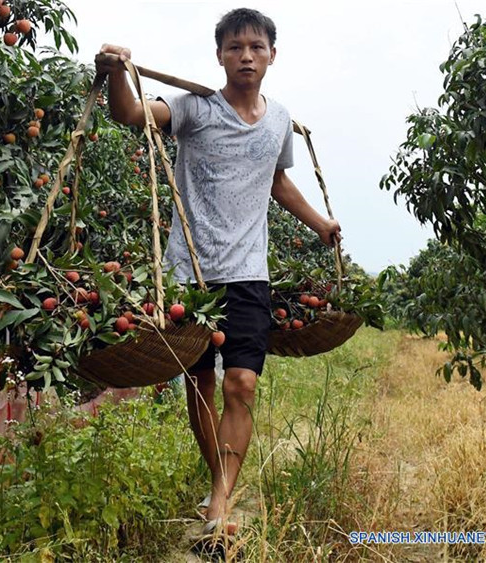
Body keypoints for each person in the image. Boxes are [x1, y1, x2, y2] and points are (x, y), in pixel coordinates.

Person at [96, 8, 342, 536]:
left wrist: (321, 224)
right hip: (190, 276)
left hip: (249, 273)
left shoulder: (279, 122)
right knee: (201, 384)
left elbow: (277, 183)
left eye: (255, 46)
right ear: (219, 56)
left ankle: (218, 502)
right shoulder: (193, 109)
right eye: (234, 48)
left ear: (272, 54)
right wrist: (117, 71)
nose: (245, 55)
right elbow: (131, 115)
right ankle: (222, 491)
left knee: (243, 384)